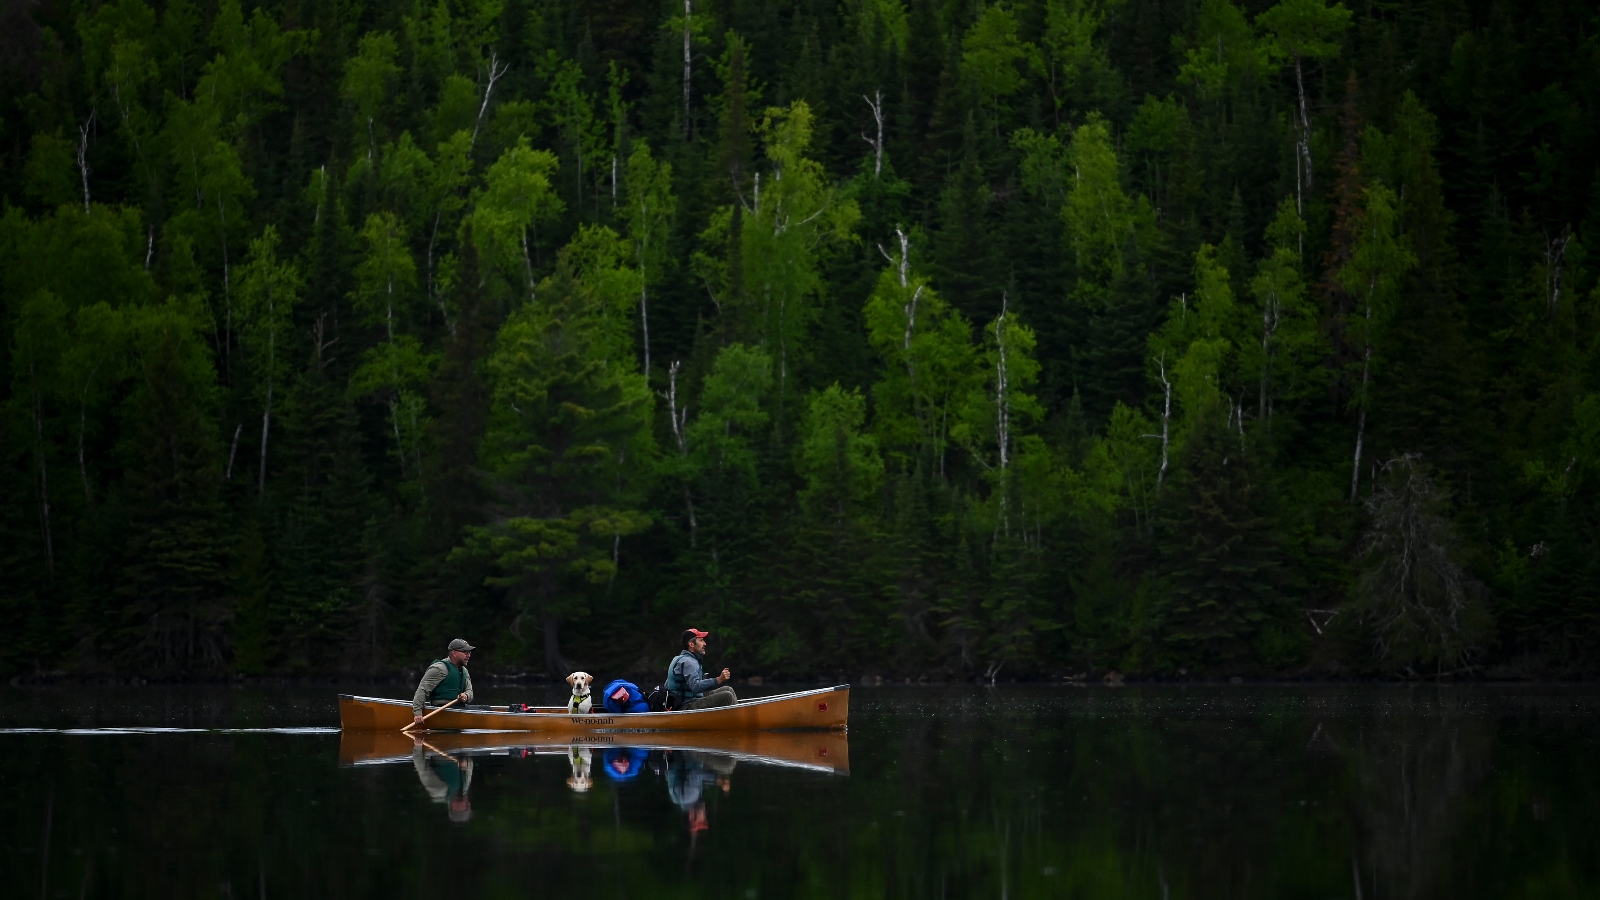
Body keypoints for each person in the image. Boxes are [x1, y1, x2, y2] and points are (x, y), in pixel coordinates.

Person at [666, 629, 737, 709]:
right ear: (691, 644)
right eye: (701, 640)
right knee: (727, 696)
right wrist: (718, 680)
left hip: (689, 698)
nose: (705, 644)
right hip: (686, 704)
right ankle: (738, 718)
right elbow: (695, 687)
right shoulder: (689, 662)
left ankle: (735, 714)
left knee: (728, 689)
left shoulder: (680, 658)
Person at [412, 638, 475, 728]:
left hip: (459, 708)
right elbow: (422, 690)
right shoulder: (439, 668)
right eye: (465, 652)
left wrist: (466, 695)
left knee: (486, 709)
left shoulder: (464, 671)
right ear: (454, 653)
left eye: (469, 653)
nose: (468, 655)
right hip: (443, 709)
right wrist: (417, 713)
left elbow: (470, 692)